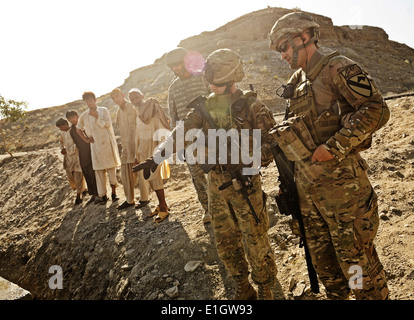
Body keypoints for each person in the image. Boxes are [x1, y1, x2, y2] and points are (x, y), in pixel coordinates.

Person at [134, 49, 279, 299]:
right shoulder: (203, 107)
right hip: (216, 184)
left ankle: (266, 289)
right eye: (209, 79)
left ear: (232, 77)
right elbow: (181, 131)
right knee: (225, 242)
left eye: (217, 80)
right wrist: (157, 156)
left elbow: (273, 144)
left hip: (245, 183)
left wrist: (247, 156)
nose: (211, 83)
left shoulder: (253, 105)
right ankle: (243, 289)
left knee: (255, 241)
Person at [268, 11, 390, 300]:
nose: (282, 54)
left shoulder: (337, 67)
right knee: (326, 268)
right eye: (279, 50)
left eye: (285, 46)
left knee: (358, 267)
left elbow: (376, 109)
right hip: (308, 195)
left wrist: (334, 146)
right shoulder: (295, 81)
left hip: (343, 193)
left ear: (304, 37)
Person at [166, 47, 211, 223]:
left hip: (209, 135)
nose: (176, 69)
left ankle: (224, 205)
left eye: (178, 65)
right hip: (188, 141)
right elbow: (173, 116)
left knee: (217, 171)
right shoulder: (173, 88)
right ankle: (207, 208)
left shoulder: (202, 78)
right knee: (197, 176)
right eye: (173, 67)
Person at [129, 88, 171, 223]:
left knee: (155, 177)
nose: (134, 101)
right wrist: (137, 154)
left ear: (142, 95)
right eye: (132, 99)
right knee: (150, 178)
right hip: (142, 150)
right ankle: (161, 205)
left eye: (136, 97)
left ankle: (164, 208)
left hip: (154, 149)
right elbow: (137, 135)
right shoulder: (138, 114)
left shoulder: (152, 108)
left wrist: (161, 149)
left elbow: (161, 127)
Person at [76, 91, 121, 205]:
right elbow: (78, 128)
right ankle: (103, 195)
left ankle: (114, 193)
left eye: (90, 100)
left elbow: (108, 124)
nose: (88, 102)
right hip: (95, 146)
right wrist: (86, 139)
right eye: (86, 101)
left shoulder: (103, 110)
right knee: (99, 171)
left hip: (107, 143)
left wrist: (97, 117)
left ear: (95, 100)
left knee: (111, 169)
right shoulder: (84, 115)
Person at [111, 88, 138, 210]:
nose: (115, 100)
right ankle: (130, 200)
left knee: (141, 171)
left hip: (137, 144)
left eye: (117, 96)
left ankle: (144, 198)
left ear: (122, 95)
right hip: (126, 146)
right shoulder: (118, 112)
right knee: (126, 172)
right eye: (113, 98)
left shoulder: (132, 107)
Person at [66, 110, 99, 205]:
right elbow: (76, 143)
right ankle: (92, 194)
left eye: (73, 117)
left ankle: (98, 194)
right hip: (82, 153)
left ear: (77, 116)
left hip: (90, 150)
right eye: (69, 118)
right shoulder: (72, 130)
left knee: (93, 172)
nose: (72, 119)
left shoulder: (83, 125)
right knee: (86, 171)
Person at [55, 117, 87, 205]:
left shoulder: (74, 131)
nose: (60, 129)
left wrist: (69, 150)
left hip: (76, 156)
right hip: (68, 158)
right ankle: (83, 189)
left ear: (65, 125)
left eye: (61, 127)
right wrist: (62, 149)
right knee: (70, 176)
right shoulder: (62, 133)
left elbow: (78, 144)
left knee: (78, 175)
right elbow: (60, 142)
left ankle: (78, 196)